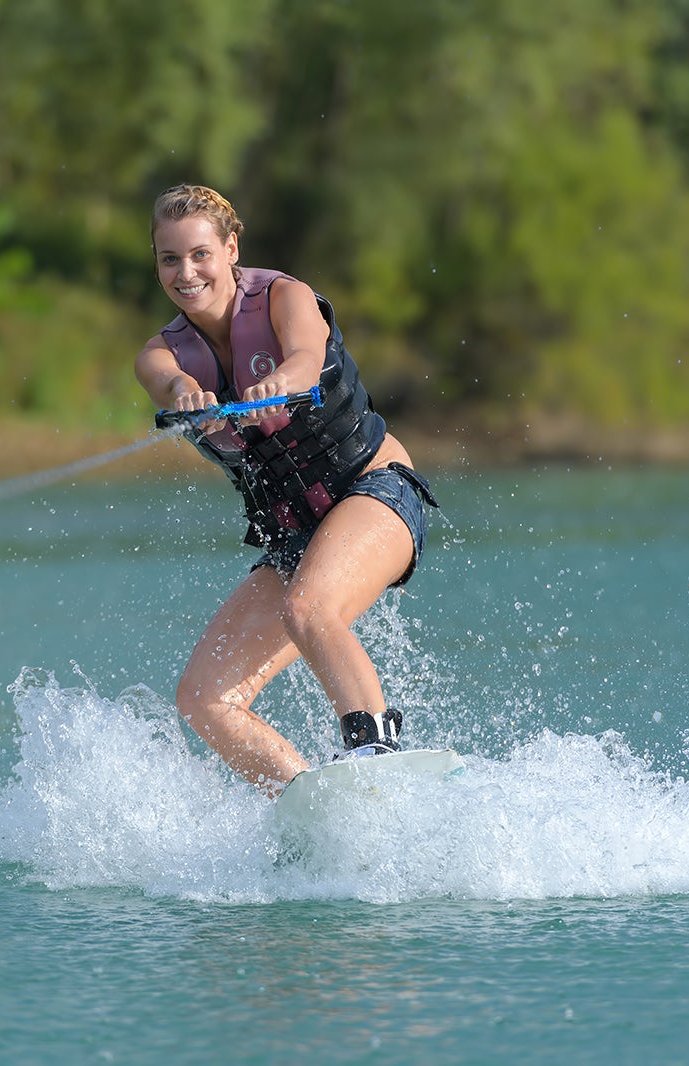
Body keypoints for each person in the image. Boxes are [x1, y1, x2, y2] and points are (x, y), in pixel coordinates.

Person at [134, 184, 439, 796]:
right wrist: (187, 397)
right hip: (295, 535)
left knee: (309, 609)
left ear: (230, 248)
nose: (185, 272)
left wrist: (275, 384)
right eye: (169, 259)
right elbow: (166, 383)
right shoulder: (160, 353)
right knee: (203, 698)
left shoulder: (283, 297)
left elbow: (305, 355)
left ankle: (377, 752)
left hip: (375, 493)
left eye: (199, 254)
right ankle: (310, 804)